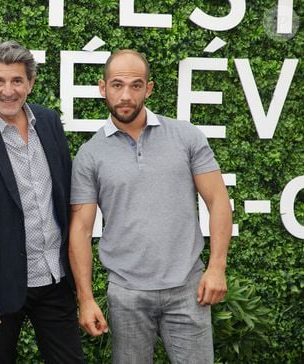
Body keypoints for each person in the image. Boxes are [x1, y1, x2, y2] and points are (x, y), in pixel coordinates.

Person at [68, 49, 232, 363]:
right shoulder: (90, 155)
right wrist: (86, 299)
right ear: (103, 88)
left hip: (188, 288)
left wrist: (216, 268)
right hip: (127, 293)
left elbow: (218, 201)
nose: (126, 95)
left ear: (149, 88)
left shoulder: (186, 136)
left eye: (135, 85)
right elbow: (80, 230)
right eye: (117, 85)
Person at [0, 40, 84, 363]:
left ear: (30, 83)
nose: (8, 91)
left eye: (17, 81)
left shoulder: (49, 123)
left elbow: (65, 200)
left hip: (54, 278)